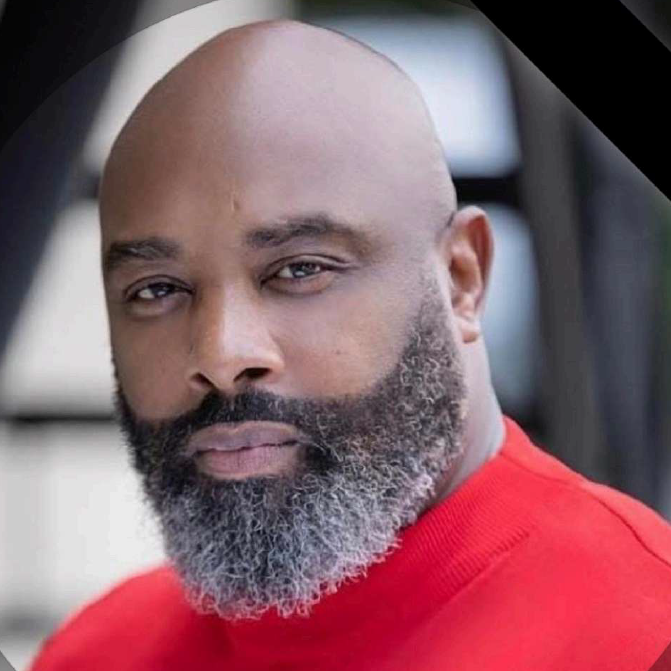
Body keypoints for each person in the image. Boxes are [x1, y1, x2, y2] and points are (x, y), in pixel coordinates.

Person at [28, 19, 671, 671]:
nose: (221, 356)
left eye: (300, 269)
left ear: (461, 279)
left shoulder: (642, 631)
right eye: (157, 289)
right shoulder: (92, 652)